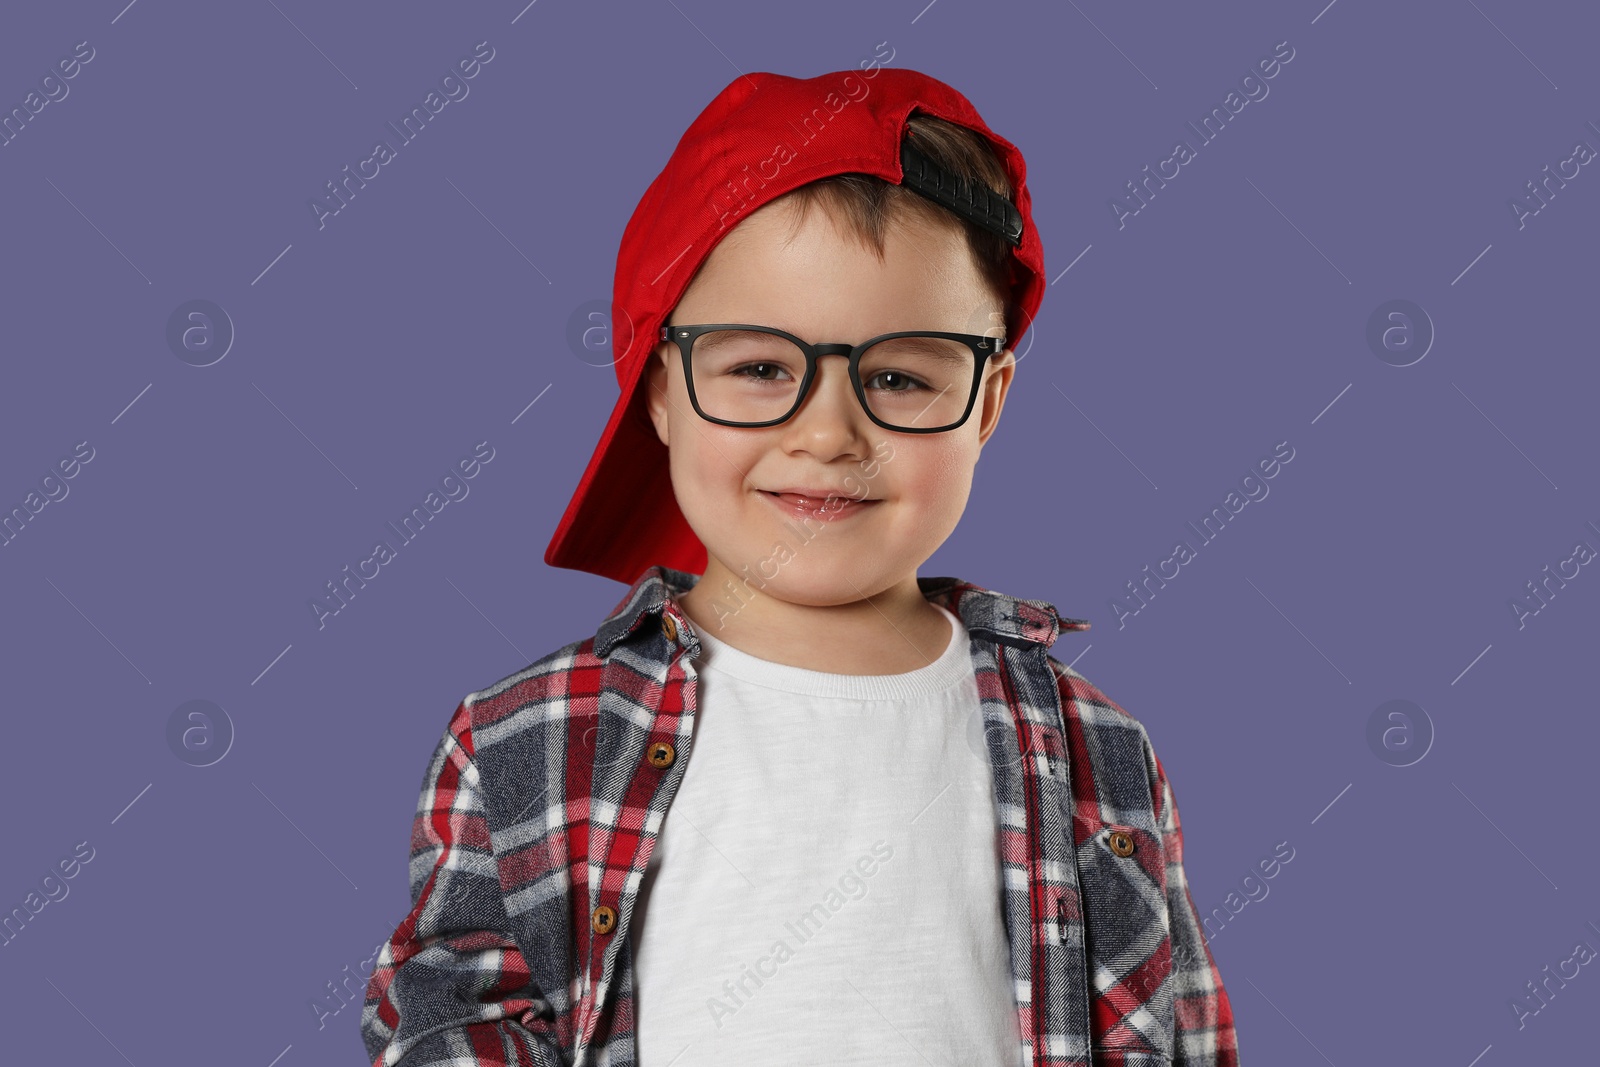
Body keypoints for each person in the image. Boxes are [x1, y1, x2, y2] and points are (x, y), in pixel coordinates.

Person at [361, 66, 1239, 1067]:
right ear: (660, 386)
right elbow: (452, 1011)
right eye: (759, 368)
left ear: (987, 401)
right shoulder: (524, 737)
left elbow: (1181, 1031)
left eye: (901, 376)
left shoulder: (1096, 747)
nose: (826, 432)